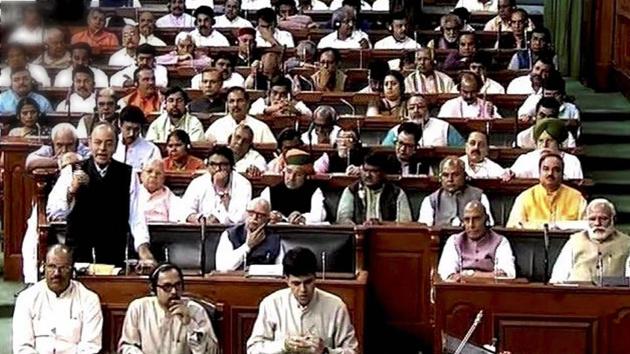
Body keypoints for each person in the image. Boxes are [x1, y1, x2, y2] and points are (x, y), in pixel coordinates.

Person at [47, 122, 157, 267]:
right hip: (78, 249)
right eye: (97, 143)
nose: (102, 149)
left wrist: (143, 249)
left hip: (113, 248)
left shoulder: (128, 174)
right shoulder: (72, 171)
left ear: (116, 146)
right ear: (89, 144)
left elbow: (136, 216)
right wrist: (71, 191)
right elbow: (54, 212)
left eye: (108, 143)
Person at [247, 247, 359, 353]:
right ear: (287, 280)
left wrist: (325, 351)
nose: (303, 290)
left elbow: (352, 351)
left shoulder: (336, 307)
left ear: (315, 278)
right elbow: (253, 349)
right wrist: (283, 346)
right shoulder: (271, 304)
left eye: (308, 282)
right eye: (296, 283)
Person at [21, 124, 91, 284]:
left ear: (76, 143)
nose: (65, 149)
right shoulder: (48, 150)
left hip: (82, 205)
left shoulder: (83, 151)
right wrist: (60, 161)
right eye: (60, 145)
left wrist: (77, 160)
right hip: (48, 204)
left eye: (69, 145)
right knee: (33, 232)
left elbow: (94, 161)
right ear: (53, 144)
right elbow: (30, 162)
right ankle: (32, 280)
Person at [13, 245, 103, 354]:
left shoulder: (89, 300)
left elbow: (91, 346)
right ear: (43, 268)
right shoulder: (26, 298)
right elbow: (22, 347)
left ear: (72, 270)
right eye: (51, 266)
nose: (57, 273)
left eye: (64, 267)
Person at [119, 263, 219, 353]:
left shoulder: (196, 310)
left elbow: (211, 352)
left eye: (178, 285)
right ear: (153, 289)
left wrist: (190, 324)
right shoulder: (138, 308)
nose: (174, 292)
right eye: (167, 287)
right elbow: (128, 346)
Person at [550, 199, 630, 283]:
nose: (597, 223)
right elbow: (558, 278)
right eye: (592, 219)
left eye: (603, 218)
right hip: (577, 294)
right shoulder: (574, 241)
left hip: (613, 294)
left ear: (613, 219)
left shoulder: (627, 243)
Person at [438, 201, 515, 280]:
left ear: (486, 219)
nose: (471, 225)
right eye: (467, 220)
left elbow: (507, 274)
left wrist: (470, 275)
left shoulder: (501, 241)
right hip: (461, 289)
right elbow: (446, 274)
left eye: (476, 219)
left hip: (492, 289)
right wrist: (489, 275)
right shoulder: (454, 241)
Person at [506, 153, 587, 229]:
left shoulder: (577, 198)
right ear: (539, 172)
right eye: (546, 169)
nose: (550, 173)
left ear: (562, 174)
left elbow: (586, 228)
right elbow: (514, 227)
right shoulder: (525, 197)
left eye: (556, 170)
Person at [180, 146, 253, 225]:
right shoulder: (197, 183)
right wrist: (200, 219)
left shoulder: (243, 184)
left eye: (223, 165)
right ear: (207, 166)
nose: (218, 169)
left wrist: (222, 191)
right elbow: (184, 212)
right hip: (202, 230)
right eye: (213, 164)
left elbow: (240, 218)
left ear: (231, 166)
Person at [337, 153, 412, 225]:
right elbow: (343, 219)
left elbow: (404, 222)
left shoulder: (397, 193)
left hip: (388, 236)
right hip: (357, 235)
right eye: (365, 170)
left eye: (374, 171)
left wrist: (381, 225)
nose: (367, 175)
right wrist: (360, 229)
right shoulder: (352, 190)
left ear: (383, 173)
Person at [418, 156, 494, 227]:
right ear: (440, 178)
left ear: (464, 176)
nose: (450, 179)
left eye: (455, 175)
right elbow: (425, 231)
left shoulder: (480, 196)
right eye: (445, 175)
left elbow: (489, 224)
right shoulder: (430, 200)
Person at [215, 198, 282, 271]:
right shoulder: (230, 234)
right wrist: (247, 246)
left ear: (267, 219)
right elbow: (222, 267)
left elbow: (280, 269)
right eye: (251, 213)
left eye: (260, 215)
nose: (254, 218)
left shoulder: (274, 239)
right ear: (245, 213)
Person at [261, 149, 326, 224]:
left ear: (305, 176)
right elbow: (259, 211)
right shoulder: (271, 190)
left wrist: (302, 218)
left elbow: (319, 215)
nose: (291, 178)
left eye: (298, 174)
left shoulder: (314, 191)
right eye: (289, 172)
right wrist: (271, 216)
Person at [506, 119, 583, 179]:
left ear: (558, 143)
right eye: (541, 141)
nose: (544, 145)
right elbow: (510, 175)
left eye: (550, 140)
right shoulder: (525, 159)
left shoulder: (572, 161)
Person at [382, 94, 466, 147]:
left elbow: (461, 149)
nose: (416, 110)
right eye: (411, 108)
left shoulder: (444, 128)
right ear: (407, 112)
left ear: (428, 110)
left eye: (420, 107)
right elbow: (384, 153)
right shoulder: (396, 130)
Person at [205, 87, 277, 144]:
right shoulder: (217, 126)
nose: (235, 105)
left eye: (240, 101)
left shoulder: (261, 127)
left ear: (247, 103)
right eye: (231, 101)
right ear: (227, 105)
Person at [112, 105, 162, 171]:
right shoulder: (110, 144)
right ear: (120, 124)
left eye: (136, 129)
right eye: (128, 129)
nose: (132, 134)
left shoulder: (152, 150)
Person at [139, 158, 181, 222]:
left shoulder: (170, 198)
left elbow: (175, 223)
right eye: (149, 171)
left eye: (158, 173)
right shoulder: (132, 193)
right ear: (141, 175)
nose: (153, 175)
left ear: (163, 178)